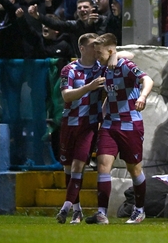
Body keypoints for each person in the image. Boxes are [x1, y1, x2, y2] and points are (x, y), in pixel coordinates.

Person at [85, 33, 154, 225]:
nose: (97, 56)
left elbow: (148, 80)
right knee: (103, 165)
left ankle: (139, 210)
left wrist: (142, 97)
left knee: (134, 168)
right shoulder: (104, 68)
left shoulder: (125, 66)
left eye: (99, 53)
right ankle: (101, 213)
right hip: (110, 124)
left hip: (130, 124)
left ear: (109, 51)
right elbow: (110, 96)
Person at [55, 33, 105, 225]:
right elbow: (67, 96)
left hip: (88, 125)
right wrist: (89, 87)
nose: (96, 49)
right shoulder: (70, 69)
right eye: (93, 45)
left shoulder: (101, 68)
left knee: (78, 166)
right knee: (68, 168)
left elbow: (127, 55)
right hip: (70, 123)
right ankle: (77, 210)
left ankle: (65, 208)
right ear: (82, 48)